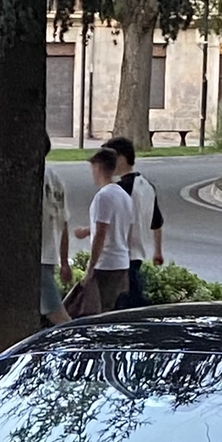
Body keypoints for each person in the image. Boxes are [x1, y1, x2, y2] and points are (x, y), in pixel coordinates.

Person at [70, 142, 134, 315]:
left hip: (105, 264)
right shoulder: (124, 196)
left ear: (98, 167)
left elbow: (101, 233)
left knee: (94, 312)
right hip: (120, 262)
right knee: (109, 310)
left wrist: (90, 268)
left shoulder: (103, 197)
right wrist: (87, 230)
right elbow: (124, 229)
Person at [109, 134, 165, 304]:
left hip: (123, 255)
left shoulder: (121, 189)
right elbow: (157, 223)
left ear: (121, 158)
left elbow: (118, 223)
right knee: (130, 298)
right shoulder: (147, 186)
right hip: (138, 253)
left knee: (127, 303)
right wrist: (157, 251)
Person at [41, 159, 72, 323]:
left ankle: (77, 342)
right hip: (48, 255)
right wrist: (64, 261)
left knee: (57, 315)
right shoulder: (56, 178)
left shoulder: (30, 176)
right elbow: (63, 223)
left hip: (37, 258)